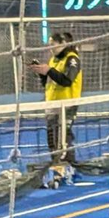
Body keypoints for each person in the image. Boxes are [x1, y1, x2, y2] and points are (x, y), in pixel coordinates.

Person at [35, 30, 82, 168]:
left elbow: (67, 80)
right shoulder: (53, 60)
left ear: (63, 43)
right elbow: (50, 82)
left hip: (67, 104)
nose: (50, 48)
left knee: (63, 135)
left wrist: (49, 71)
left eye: (53, 44)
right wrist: (42, 74)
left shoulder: (72, 59)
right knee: (52, 136)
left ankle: (68, 164)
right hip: (52, 104)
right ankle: (56, 163)